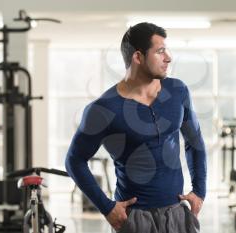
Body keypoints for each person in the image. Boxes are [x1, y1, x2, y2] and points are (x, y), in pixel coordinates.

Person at [65, 22, 207, 233]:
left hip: (177, 213)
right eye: (160, 51)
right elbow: (74, 161)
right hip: (134, 219)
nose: (168, 57)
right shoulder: (103, 109)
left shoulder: (178, 91)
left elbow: (194, 141)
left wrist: (200, 191)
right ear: (138, 57)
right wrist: (107, 207)